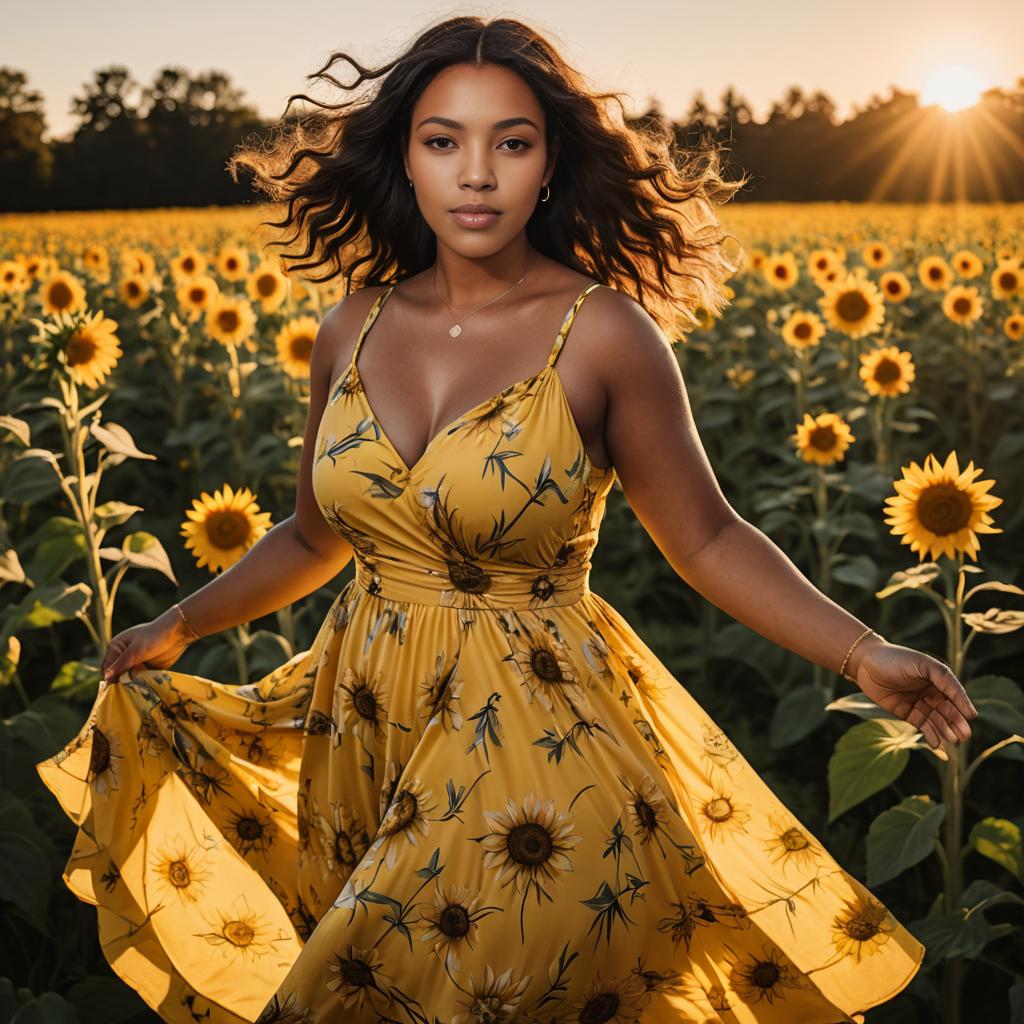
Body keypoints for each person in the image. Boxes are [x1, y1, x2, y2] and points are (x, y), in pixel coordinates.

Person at [37, 15, 975, 1024]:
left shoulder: (604, 333)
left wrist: (861, 651)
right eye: (443, 140)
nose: (475, 173)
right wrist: (183, 623)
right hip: (363, 728)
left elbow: (705, 537)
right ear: (406, 157)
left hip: (536, 747)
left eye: (510, 142)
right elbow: (316, 538)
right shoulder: (349, 328)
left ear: (547, 163)